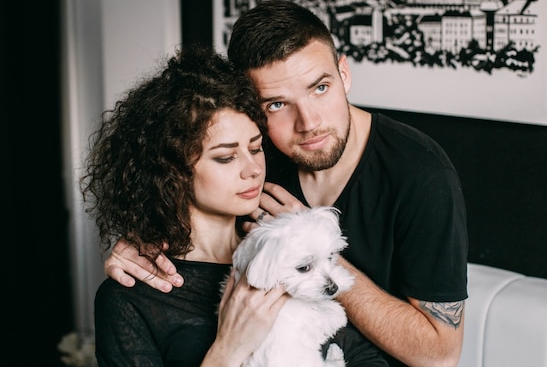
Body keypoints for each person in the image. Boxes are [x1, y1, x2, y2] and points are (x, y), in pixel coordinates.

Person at [104, 1, 468, 367]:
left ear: (344, 74)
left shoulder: (420, 173)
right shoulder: (261, 154)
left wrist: (314, 254)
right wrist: (141, 236)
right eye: (277, 104)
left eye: (320, 87)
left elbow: (439, 355)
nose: (308, 122)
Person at [82, 46, 388, 367]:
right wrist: (227, 349)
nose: (253, 169)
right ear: (172, 171)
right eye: (226, 157)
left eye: (255, 149)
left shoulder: (288, 255)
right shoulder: (132, 298)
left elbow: (364, 358)